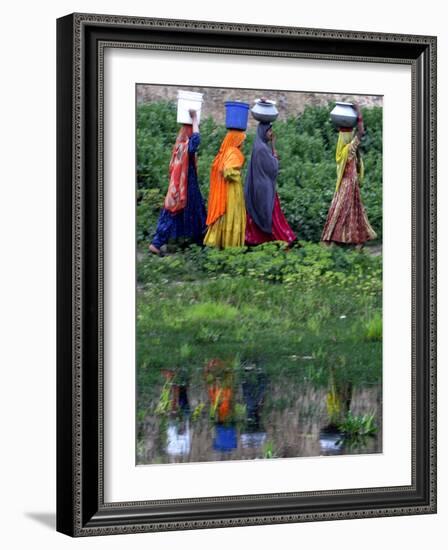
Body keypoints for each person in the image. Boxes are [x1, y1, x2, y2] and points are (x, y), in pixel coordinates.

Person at [149, 110, 206, 255]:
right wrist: (194, 119)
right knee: (188, 211)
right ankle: (200, 244)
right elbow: (196, 142)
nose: (193, 131)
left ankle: (160, 242)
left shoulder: (179, 145)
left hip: (180, 186)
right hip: (186, 186)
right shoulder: (186, 146)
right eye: (192, 129)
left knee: (178, 211)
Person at [321, 105, 377, 245]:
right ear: (347, 138)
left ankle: (349, 241)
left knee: (348, 211)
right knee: (345, 211)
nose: (352, 138)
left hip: (347, 184)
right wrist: (358, 112)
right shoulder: (349, 149)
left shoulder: (342, 151)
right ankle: (336, 241)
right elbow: (361, 132)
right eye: (350, 136)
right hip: (349, 185)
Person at [244, 122, 296, 246]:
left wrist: (272, 144)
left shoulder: (259, 145)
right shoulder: (261, 148)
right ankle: (283, 240)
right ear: (263, 132)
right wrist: (274, 152)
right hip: (264, 189)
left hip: (259, 186)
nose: (271, 133)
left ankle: (260, 242)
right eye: (269, 131)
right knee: (272, 217)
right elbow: (273, 167)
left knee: (262, 215)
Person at [203, 130, 247, 248]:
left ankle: (216, 244)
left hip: (223, 191)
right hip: (231, 190)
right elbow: (228, 171)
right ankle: (230, 246)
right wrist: (238, 175)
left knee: (223, 216)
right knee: (232, 215)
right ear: (235, 141)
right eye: (241, 141)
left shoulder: (224, 152)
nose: (242, 144)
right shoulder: (233, 152)